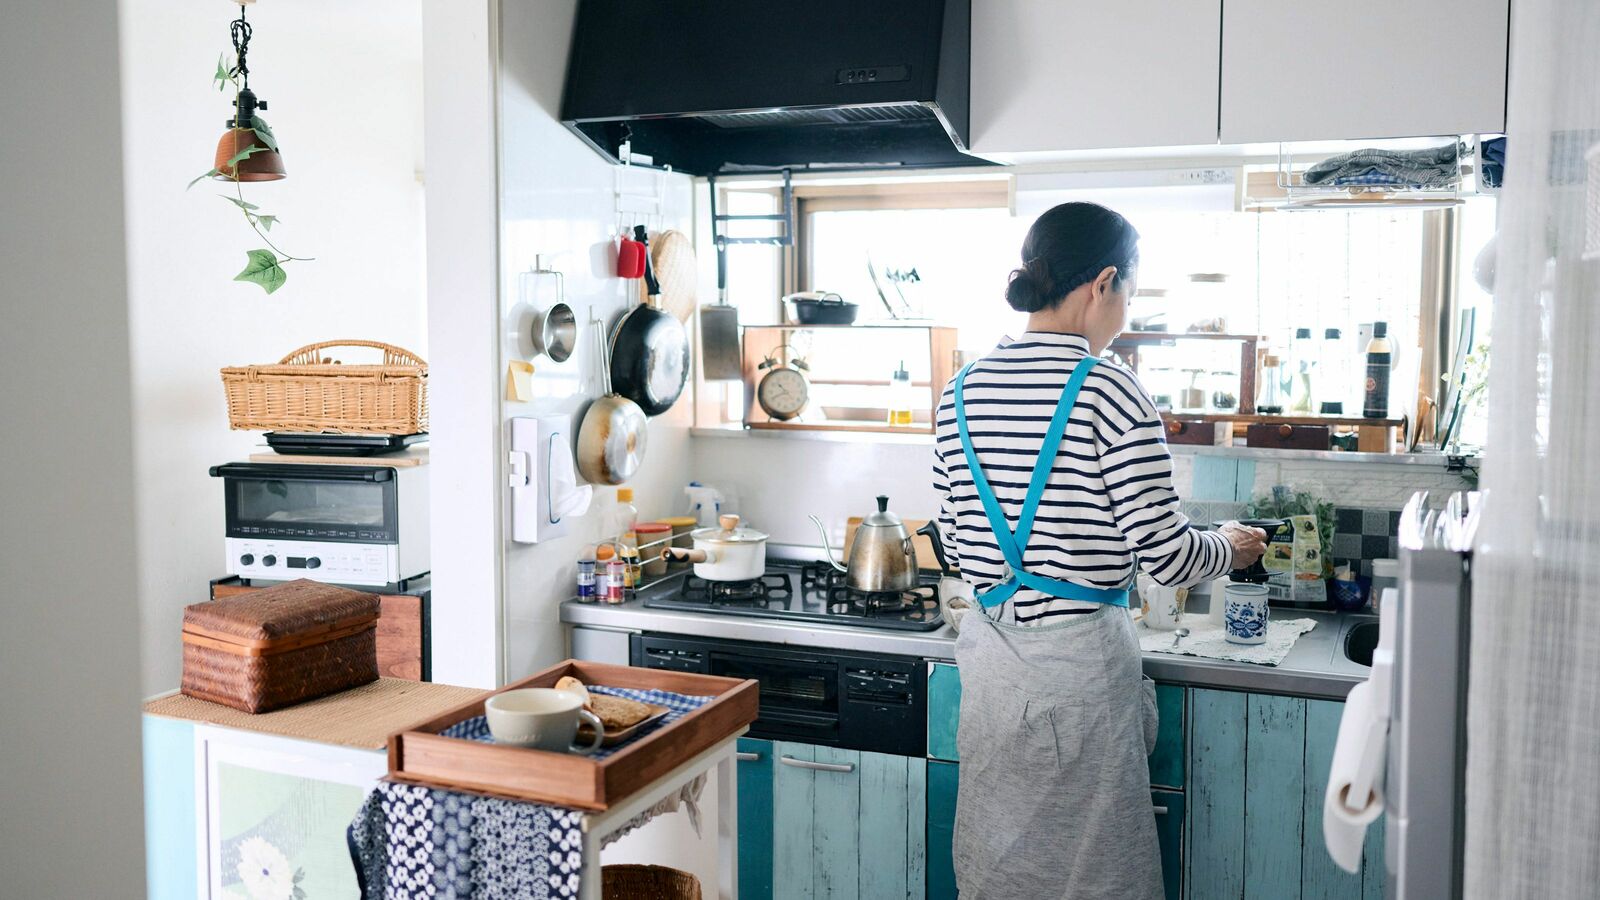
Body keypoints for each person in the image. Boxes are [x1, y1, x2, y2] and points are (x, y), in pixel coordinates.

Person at [931, 202, 1268, 898]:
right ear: (1105, 282)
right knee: (1094, 876)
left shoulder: (959, 391)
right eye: (1133, 293)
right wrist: (1229, 547)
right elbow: (1170, 558)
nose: (1128, 313)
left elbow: (958, 548)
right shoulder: (1109, 387)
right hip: (1079, 670)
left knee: (1002, 870)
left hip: (992, 666)